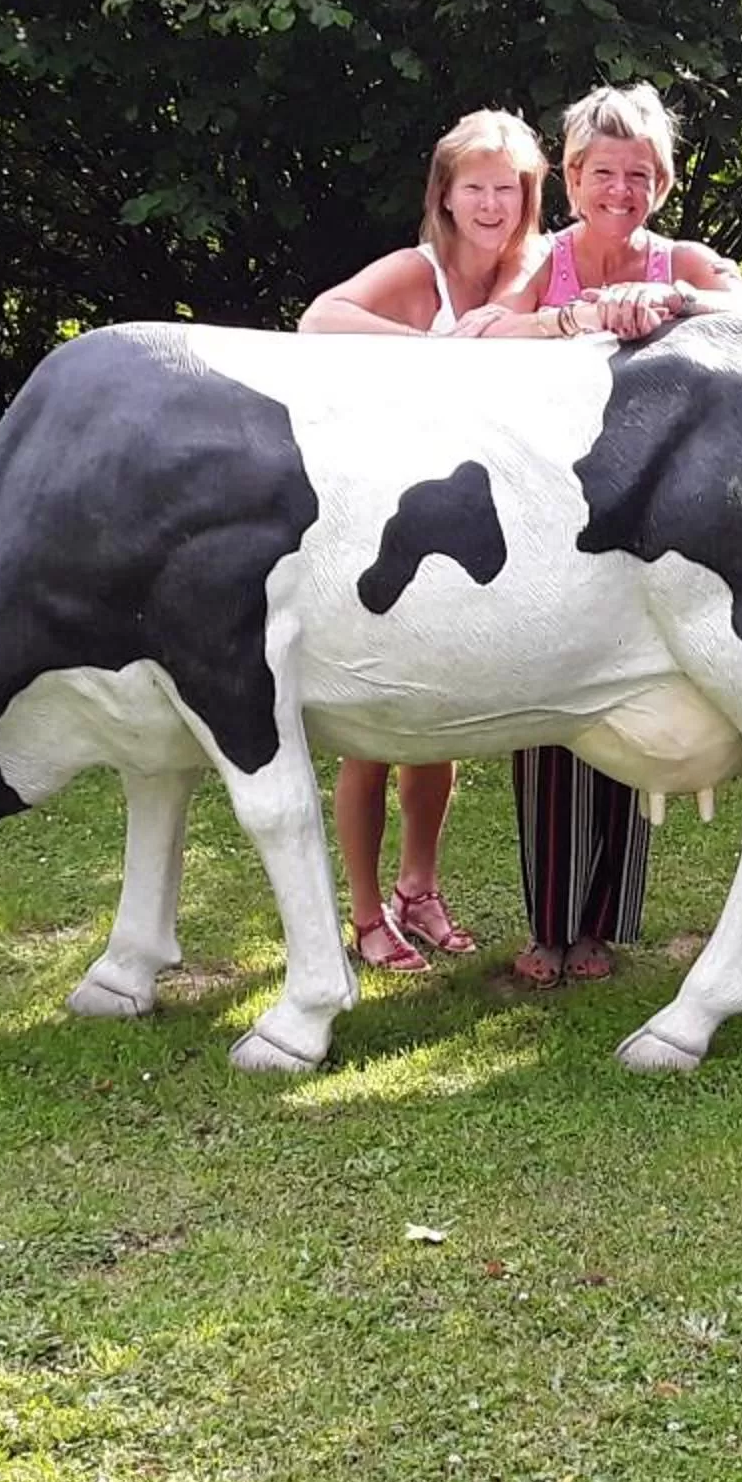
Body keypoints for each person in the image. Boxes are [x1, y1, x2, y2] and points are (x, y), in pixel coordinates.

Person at [511, 83, 742, 988]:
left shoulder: (681, 257)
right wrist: (577, 315)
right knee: (547, 718)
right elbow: (482, 330)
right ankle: (545, 928)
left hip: (650, 524)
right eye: (603, 172)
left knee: (633, 714)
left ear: (659, 182)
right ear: (573, 177)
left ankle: (601, 930)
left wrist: (668, 304)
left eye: (640, 174)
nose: (621, 188)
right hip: (546, 521)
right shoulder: (544, 259)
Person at [297, 108, 554, 972]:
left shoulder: (534, 275)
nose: (491, 204)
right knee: (374, 729)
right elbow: (320, 320)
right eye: (475, 187)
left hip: (483, 530)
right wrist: (426, 351)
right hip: (391, 524)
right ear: (445, 194)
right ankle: (367, 915)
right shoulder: (419, 271)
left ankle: (420, 889)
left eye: (507, 189)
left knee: (436, 731)